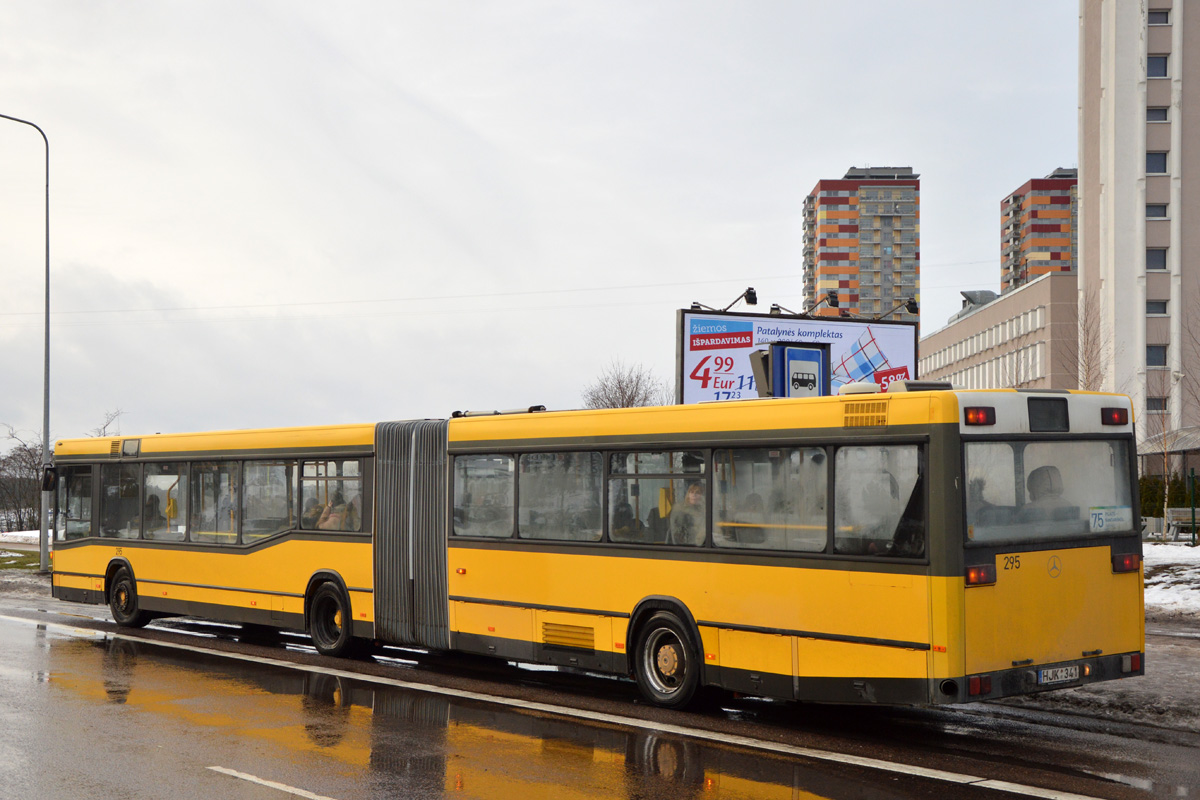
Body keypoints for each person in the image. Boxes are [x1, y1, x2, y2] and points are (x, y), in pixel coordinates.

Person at [669, 481, 706, 546]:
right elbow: (676, 533)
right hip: (686, 546)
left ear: (702, 495)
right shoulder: (680, 510)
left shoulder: (705, 509)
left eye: (697, 493)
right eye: (691, 492)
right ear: (688, 495)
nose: (694, 495)